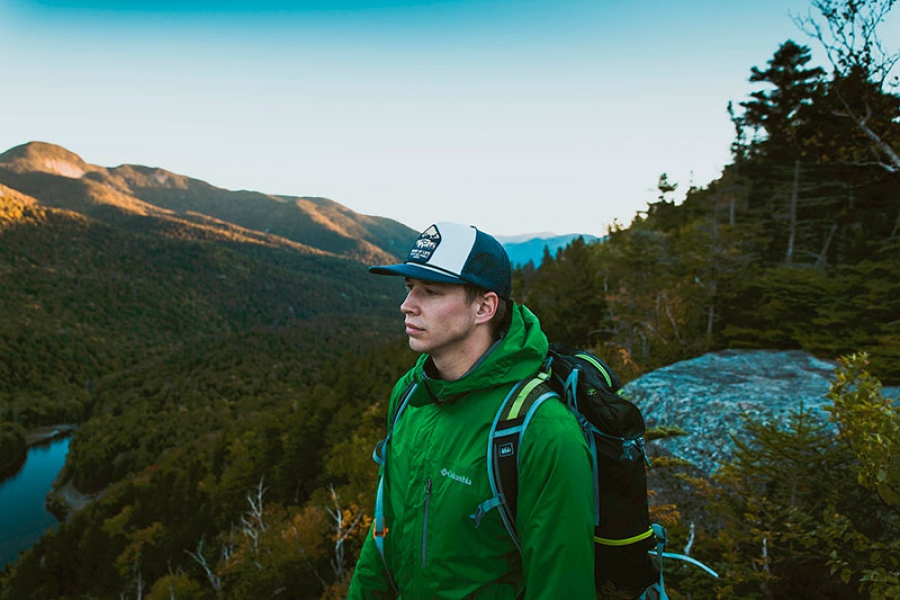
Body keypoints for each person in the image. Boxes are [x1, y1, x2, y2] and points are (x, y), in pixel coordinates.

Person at [348, 222, 595, 599]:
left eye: (430, 291)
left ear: (484, 307)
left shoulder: (542, 431)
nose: (407, 305)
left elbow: (561, 585)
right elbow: (384, 533)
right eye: (409, 288)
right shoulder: (410, 395)